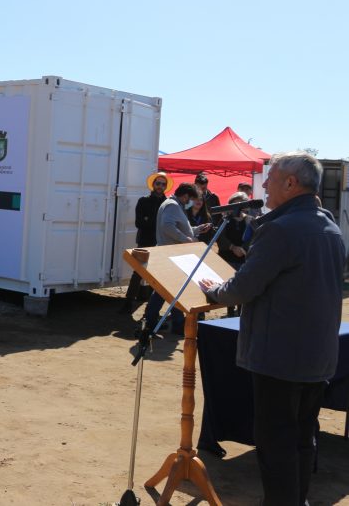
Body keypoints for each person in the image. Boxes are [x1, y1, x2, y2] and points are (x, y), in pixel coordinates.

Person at [199, 152, 346, 506]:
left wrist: (214, 291)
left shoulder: (280, 229)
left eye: (271, 177)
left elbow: (244, 287)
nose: (264, 184)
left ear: (291, 183)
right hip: (317, 356)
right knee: (302, 437)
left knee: (276, 443)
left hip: (280, 358)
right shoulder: (330, 227)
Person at [141, 183, 211, 334]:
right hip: (171, 254)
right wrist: (186, 239)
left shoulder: (173, 204)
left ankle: (152, 321)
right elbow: (168, 227)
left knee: (165, 291)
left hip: (170, 253)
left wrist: (197, 230)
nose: (190, 202)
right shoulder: (172, 205)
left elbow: (177, 227)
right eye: (190, 198)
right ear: (185, 196)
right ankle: (174, 323)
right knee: (174, 290)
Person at [122, 171, 170, 312]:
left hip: (161, 243)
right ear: (153, 185)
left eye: (163, 184)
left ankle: (152, 310)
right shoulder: (143, 201)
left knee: (159, 275)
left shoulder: (168, 203)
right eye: (158, 183)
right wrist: (155, 223)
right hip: (145, 242)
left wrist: (150, 220)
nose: (160, 186)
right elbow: (139, 223)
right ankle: (128, 303)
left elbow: (166, 225)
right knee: (138, 273)